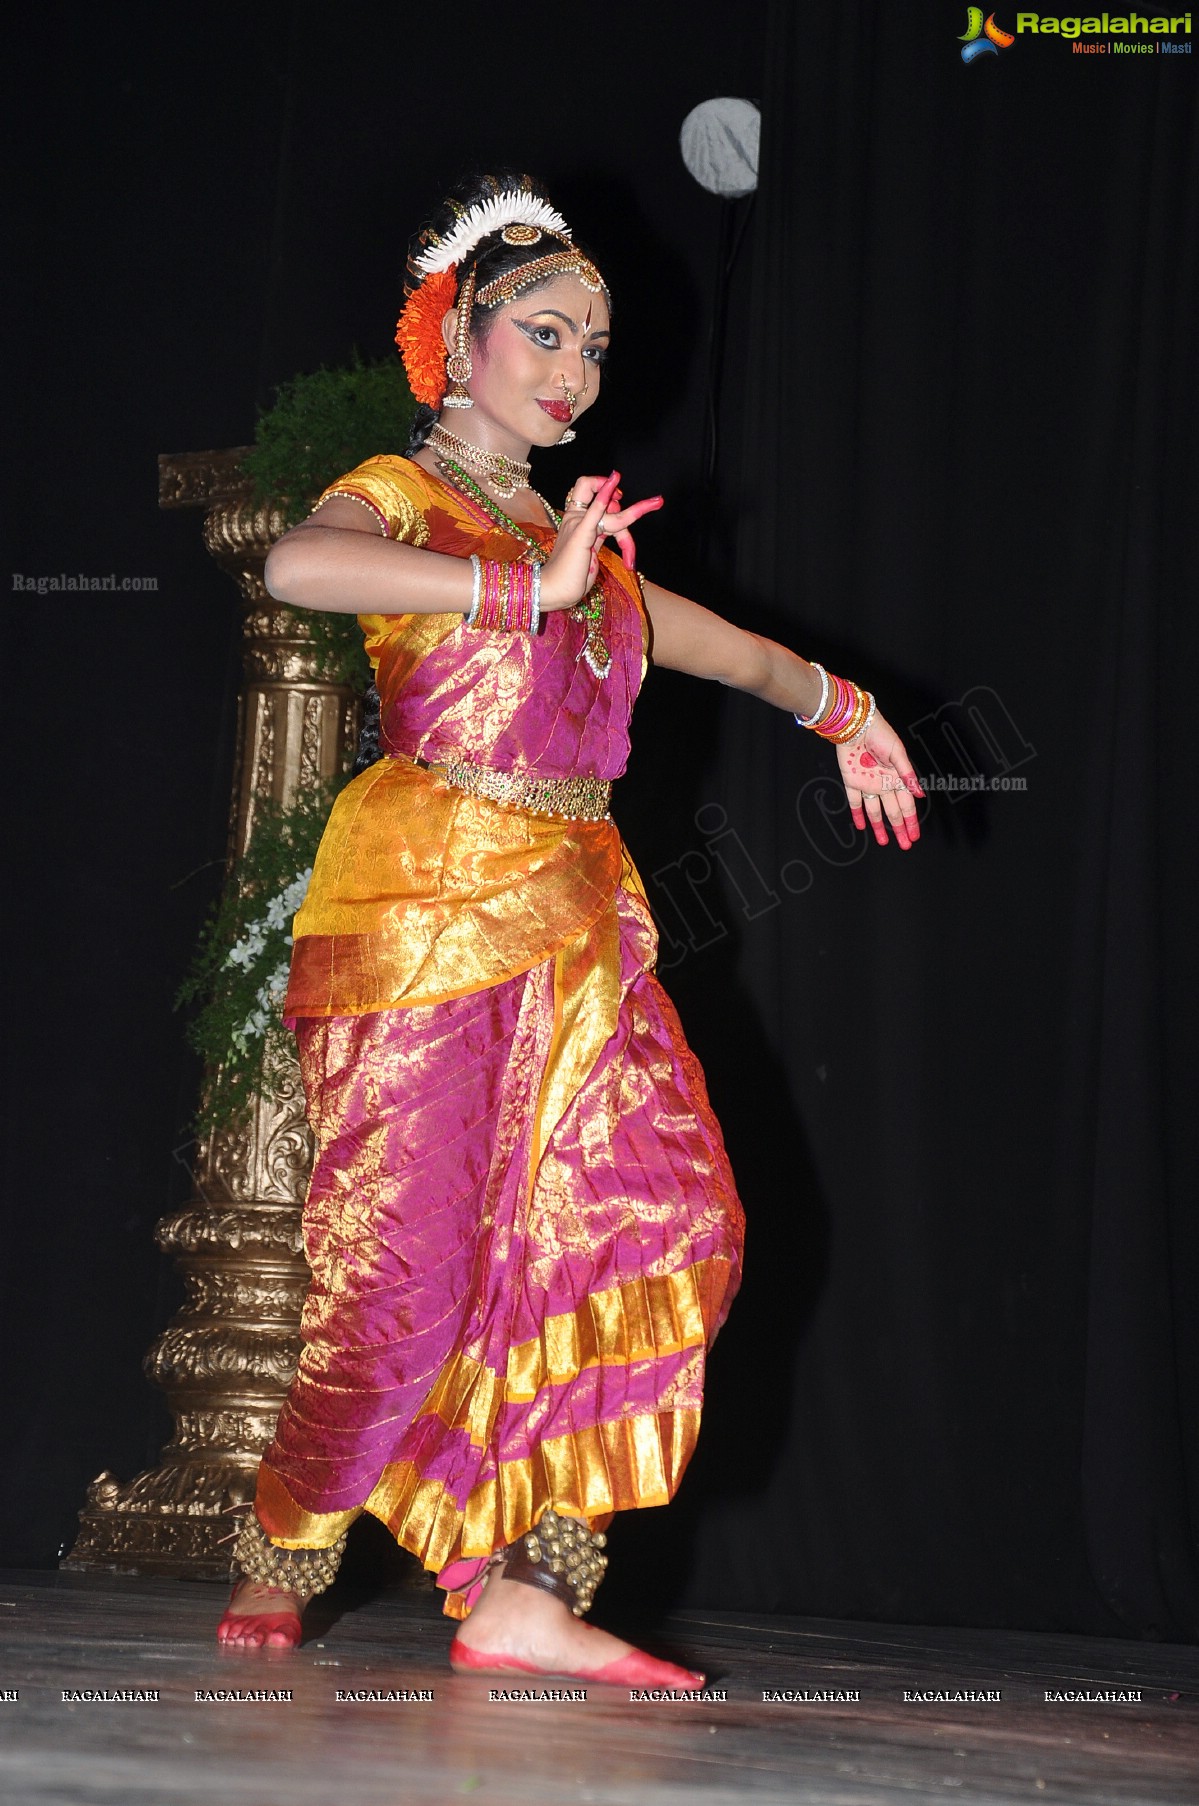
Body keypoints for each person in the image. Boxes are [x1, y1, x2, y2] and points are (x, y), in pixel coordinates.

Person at [215, 170, 924, 1682]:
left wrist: (845, 710)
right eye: (546, 332)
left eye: (593, 347)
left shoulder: (582, 540)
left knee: (661, 1222)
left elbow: (711, 645)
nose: (576, 370)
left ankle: (531, 1584)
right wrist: (512, 585)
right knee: (400, 1276)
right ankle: (287, 1534)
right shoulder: (402, 496)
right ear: (457, 339)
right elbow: (300, 563)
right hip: (421, 917)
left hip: (579, 927)